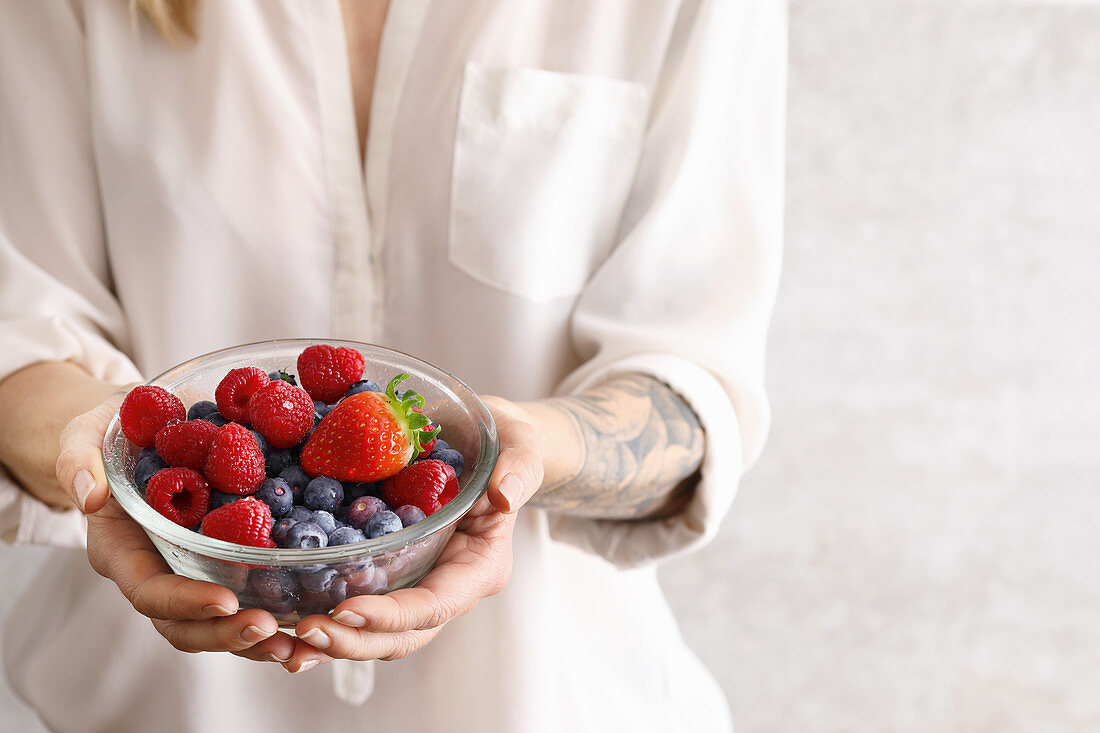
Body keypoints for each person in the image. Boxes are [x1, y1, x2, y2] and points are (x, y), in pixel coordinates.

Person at [0, 0, 785, 731]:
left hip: (552, 697)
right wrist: (106, 447)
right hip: (161, 705)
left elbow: (690, 387)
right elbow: (21, 330)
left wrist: (530, 451)